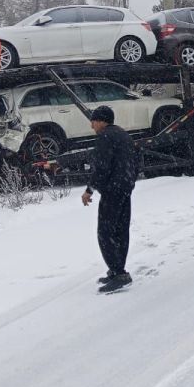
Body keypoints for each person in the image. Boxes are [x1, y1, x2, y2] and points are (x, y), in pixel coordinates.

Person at [81, 106, 137, 293]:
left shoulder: (105, 137)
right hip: (125, 189)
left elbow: (102, 167)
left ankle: (119, 273)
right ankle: (116, 270)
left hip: (112, 190)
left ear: (102, 120)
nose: (91, 125)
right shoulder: (123, 135)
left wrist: (90, 189)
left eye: (93, 121)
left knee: (105, 232)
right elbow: (135, 161)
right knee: (121, 230)